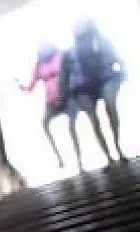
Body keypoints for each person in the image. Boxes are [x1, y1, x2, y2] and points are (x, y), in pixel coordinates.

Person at [61, 19, 127, 166]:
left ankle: (118, 147)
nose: (78, 27)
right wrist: (66, 95)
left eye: (81, 24)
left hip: (103, 79)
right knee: (94, 120)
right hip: (83, 88)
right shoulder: (70, 52)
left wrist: (122, 70)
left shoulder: (100, 41)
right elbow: (65, 75)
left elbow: (115, 57)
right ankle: (108, 157)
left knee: (110, 106)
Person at [17, 41, 71, 168]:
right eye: (41, 47)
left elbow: (70, 71)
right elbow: (30, 87)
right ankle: (59, 158)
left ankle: (79, 159)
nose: (44, 49)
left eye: (46, 46)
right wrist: (21, 86)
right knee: (45, 124)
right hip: (51, 101)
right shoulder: (39, 66)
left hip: (66, 96)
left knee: (72, 124)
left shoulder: (60, 56)